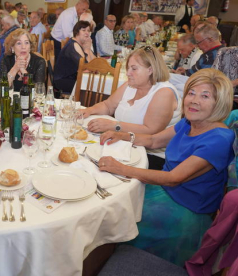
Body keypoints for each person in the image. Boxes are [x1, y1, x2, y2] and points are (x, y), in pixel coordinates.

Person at [98, 68, 234, 266]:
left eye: (205, 96)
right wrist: (122, 135)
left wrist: (120, 168)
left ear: (219, 103)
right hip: (164, 189)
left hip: (185, 208)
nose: (194, 100)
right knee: (114, 198)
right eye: (191, 93)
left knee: (118, 214)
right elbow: (154, 140)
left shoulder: (219, 139)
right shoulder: (190, 122)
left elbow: (174, 178)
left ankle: (106, 263)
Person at [82, 46, 181, 170]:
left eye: (134, 69)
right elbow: (108, 105)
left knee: (96, 164)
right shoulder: (131, 85)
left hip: (151, 155)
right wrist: (87, 110)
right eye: (128, 68)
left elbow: (151, 131)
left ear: (150, 69)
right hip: (124, 144)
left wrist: (114, 125)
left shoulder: (164, 92)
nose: (128, 73)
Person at [54, 21, 95, 94]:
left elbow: (96, 62)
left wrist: (88, 48)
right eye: (83, 30)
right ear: (77, 32)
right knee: (91, 86)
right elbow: (87, 67)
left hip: (74, 78)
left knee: (93, 84)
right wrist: (87, 49)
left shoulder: (82, 43)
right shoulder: (73, 45)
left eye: (88, 31)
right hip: (63, 80)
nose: (87, 33)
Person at [0, 15, 18, 84]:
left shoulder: (3, 40)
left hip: (5, 73)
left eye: (3, 25)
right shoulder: (19, 31)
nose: (2, 27)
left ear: (8, 25)